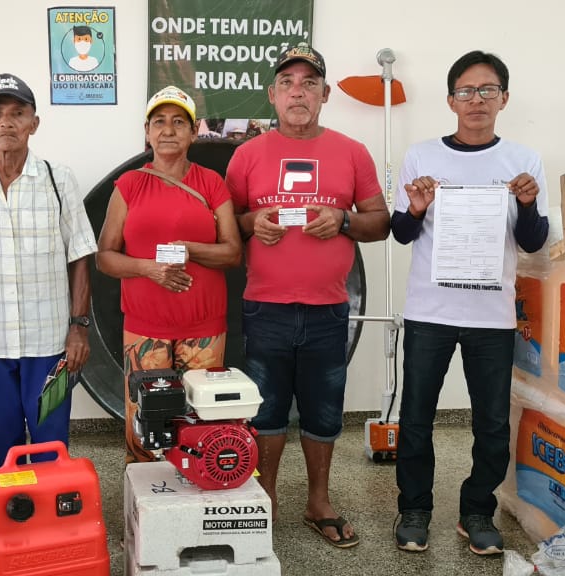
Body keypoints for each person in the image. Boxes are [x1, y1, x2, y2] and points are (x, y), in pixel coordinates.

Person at [225, 42, 390, 549]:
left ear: (325, 94)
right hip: (266, 307)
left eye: (309, 84)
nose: (298, 93)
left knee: (324, 411)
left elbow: (380, 222)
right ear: (272, 94)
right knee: (266, 410)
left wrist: (343, 219)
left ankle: (319, 501)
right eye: (288, 84)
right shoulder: (247, 155)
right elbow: (225, 225)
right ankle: (266, 496)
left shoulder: (352, 152)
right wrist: (253, 222)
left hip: (328, 309)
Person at [390, 50, 549, 556]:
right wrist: (417, 208)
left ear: (504, 98)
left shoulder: (524, 160)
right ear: (450, 100)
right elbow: (400, 232)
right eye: (465, 91)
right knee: (416, 417)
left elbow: (533, 241)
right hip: (429, 312)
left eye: (487, 90)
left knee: (492, 424)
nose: (476, 100)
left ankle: (477, 510)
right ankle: (414, 509)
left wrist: (527, 204)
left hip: (492, 315)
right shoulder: (421, 156)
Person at [0, 73, 98, 469]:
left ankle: (49, 510)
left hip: (50, 346)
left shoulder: (58, 179)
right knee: (3, 446)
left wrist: (79, 328)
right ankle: (11, 508)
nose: (6, 123)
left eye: (17, 113)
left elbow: (80, 256)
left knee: (50, 445)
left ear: (34, 123)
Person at [96, 85, 242, 463]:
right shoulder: (129, 186)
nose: (168, 130)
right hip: (145, 329)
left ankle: (197, 490)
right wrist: (148, 269)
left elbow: (232, 252)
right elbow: (105, 258)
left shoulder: (211, 183)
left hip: (203, 328)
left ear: (193, 132)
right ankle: (143, 495)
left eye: (179, 122)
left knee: (200, 425)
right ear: (147, 132)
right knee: (145, 426)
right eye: (159, 122)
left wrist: (190, 249)